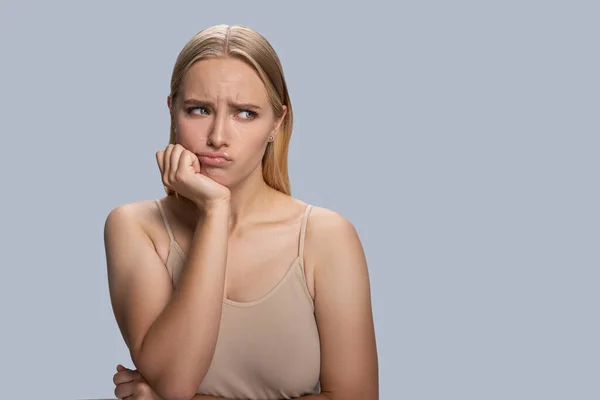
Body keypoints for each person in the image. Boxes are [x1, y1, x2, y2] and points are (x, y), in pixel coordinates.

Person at [104, 24, 378, 400]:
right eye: (199, 110)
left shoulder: (326, 237)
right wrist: (215, 210)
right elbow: (175, 382)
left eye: (245, 114)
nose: (218, 136)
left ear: (277, 123)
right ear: (172, 111)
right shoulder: (136, 227)